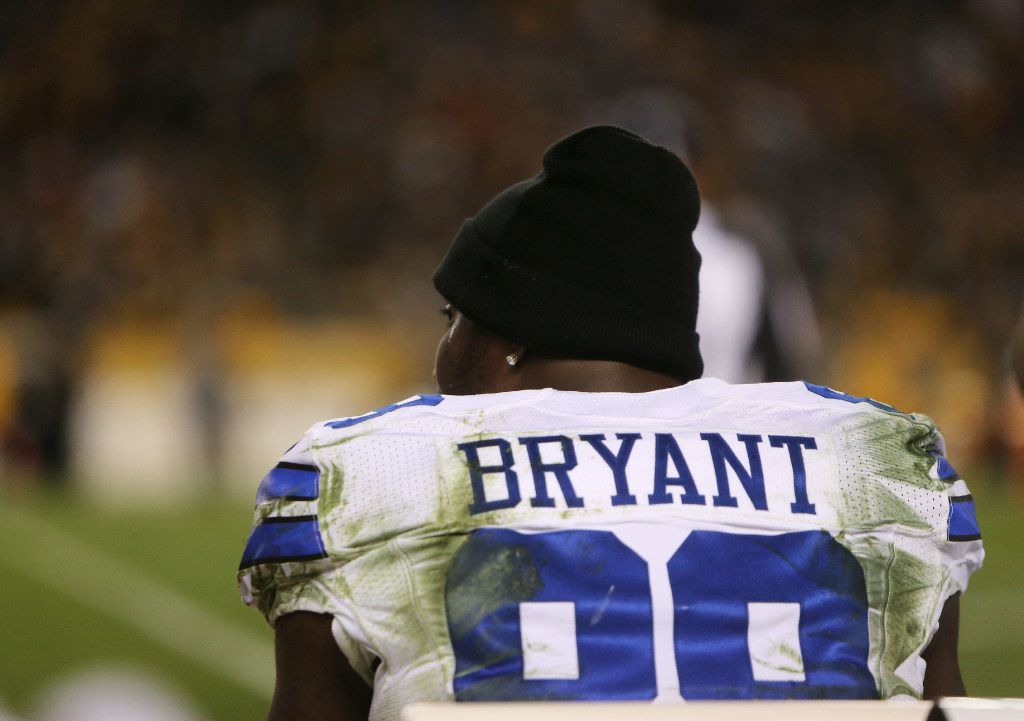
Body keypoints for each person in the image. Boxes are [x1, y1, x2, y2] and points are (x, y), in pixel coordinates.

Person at [238, 127, 983, 721]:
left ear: (510, 340)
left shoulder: (366, 475)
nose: (443, 343)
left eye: (454, 317)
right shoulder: (882, 463)